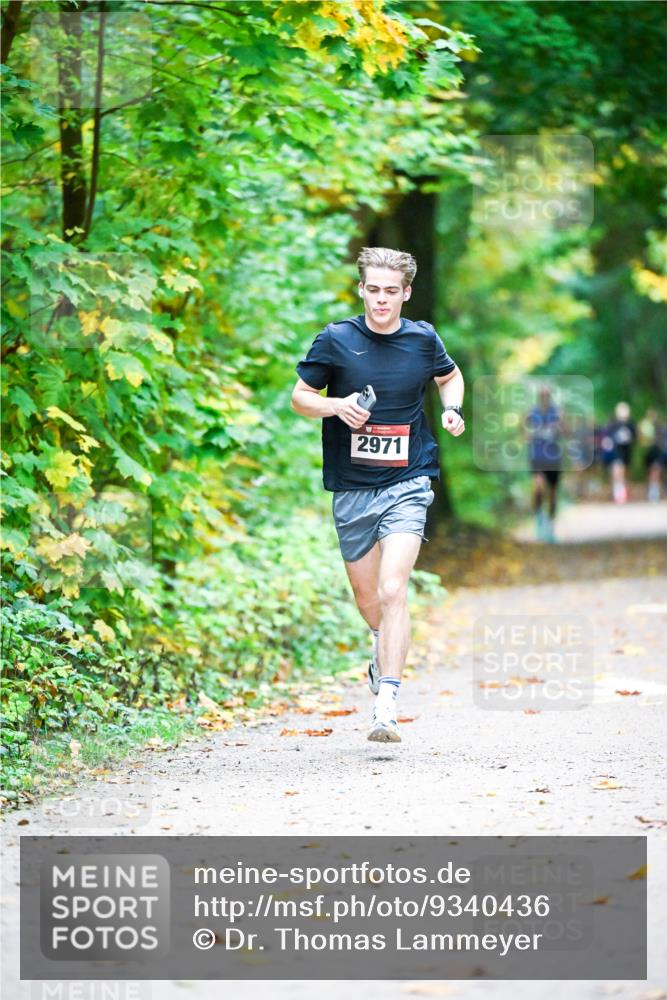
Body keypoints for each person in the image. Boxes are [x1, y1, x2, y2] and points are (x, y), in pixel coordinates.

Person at [291, 247, 465, 744]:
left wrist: (451, 409)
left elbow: (449, 377)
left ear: (406, 293)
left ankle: (386, 704)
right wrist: (336, 405)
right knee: (370, 603)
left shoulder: (422, 339)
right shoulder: (337, 339)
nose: (382, 300)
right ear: (361, 289)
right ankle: (379, 651)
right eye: (374, 290)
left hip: (409, 481)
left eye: (392, 291)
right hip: (351, 489)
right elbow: (299, 398)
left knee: (393, 590)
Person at [526, 385, 562, 543]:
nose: (545, 397)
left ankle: (551, 526)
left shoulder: (558, 413)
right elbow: (523, 431)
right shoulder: (531, 412)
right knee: (539, 487)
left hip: (553, 456)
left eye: (547, 395)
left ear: (550, 396)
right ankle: (539, 519)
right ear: (539, 396)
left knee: (553, 492)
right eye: (542, 395)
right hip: (537, 455)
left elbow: (565, 431)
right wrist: (529, 434)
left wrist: (558, 427)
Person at [605, 402, 636, 504]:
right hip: (616, 451)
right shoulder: (613, 424)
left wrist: (628, 438)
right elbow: (608, 437)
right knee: (618, 470)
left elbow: (635, 437)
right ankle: (618, 493)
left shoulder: (631, 424)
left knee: (625, 472)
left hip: (626, 451)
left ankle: (622, 490)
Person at [638, 408, 663, 502]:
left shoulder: (658, 426)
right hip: (647, 451)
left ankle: (654, 492)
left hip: (656, 451)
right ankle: (651, 490)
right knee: (649, 472)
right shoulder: (644, 425)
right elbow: (640, 438)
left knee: (655, 470)